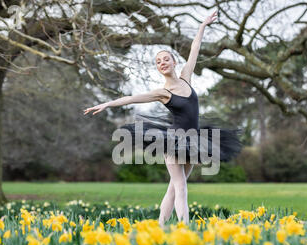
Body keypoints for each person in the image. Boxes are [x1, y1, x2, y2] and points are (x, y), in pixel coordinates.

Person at [83, 10, 243, 228]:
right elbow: (133, 98)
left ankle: (160, 226)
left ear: (174, 62)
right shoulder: (163, 92)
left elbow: (195, 49)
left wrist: (202, 26)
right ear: (158, 68)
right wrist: (107, 103)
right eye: (158, 62)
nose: (162, 63)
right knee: (181, 187)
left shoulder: (186, 78)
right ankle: (184, 228)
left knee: (174, 187)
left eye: (166, 59)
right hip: (174, 142)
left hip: (193, 141)